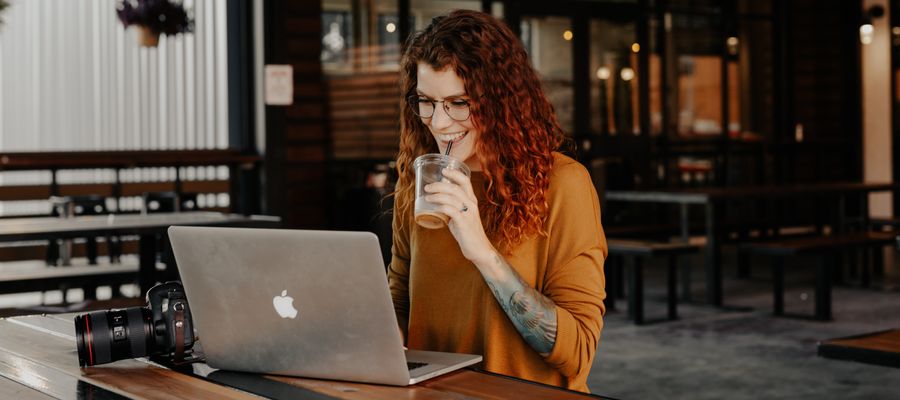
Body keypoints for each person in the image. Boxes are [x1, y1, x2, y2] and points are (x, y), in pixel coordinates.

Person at [387, 10, 607, 393]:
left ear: (501, 103)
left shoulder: (563, 184)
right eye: (426, 102)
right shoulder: (419, 181)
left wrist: (482, 252)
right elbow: (400, 297)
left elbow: (577, 352)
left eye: (458, 103)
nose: (438, 122)